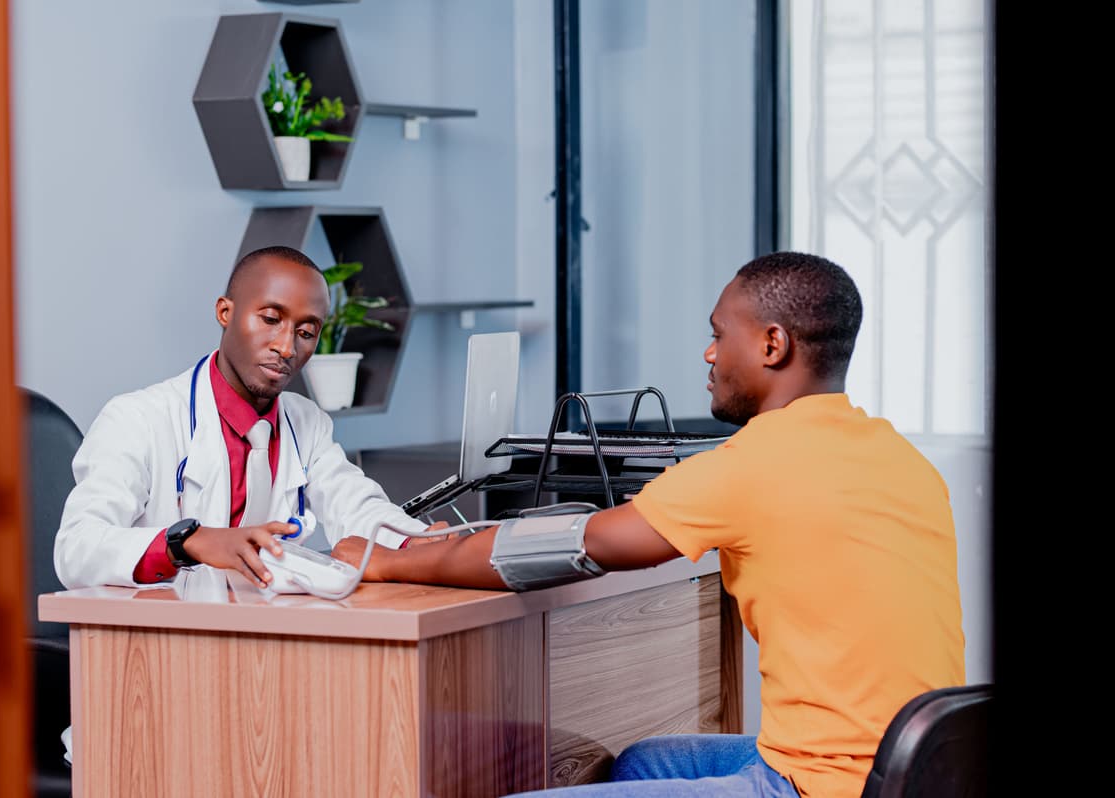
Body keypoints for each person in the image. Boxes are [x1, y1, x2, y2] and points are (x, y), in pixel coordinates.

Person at [330, 251, 966, 798]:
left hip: (818, 787)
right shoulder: (900, 457)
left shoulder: (753, 464)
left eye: (721, 334)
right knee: (643, 763)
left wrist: (391, 559)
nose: (709, 353)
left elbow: (587, 545)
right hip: (921, 770)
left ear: (773, 345)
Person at [54, 244, 443, 593]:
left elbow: (355, 505)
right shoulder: (137, 419)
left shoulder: (306, 422)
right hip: (153, 649)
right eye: (270, 319)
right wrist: (187, 542)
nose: (286, 347)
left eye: (306, 332)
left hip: (259, 638)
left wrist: (414, 541)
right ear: (226, 312)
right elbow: (77, 549)